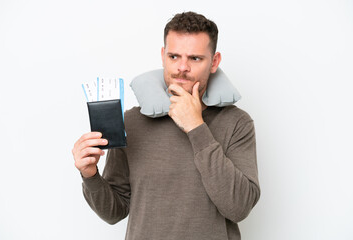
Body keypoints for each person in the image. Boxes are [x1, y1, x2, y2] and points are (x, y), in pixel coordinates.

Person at [72, 11, 260, 240]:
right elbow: (114, 211)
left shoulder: (237, 123)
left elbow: (238, 207)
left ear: (215, 62)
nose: (182, 67)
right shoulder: (132, 122)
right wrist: (90, 175)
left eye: (195, 58)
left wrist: (196, 128)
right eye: (174, 56)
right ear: (163, 56)